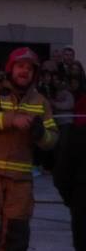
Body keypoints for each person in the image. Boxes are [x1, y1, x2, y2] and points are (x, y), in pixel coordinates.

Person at [0, 47, 59, 251]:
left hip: (20, 180)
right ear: (10, 68)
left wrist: (41, 134)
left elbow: (53, 139)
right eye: (20, 66)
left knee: (17, 236)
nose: (24, 71)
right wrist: (11, 119)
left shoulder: (41, 102)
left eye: (29, 68)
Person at [54, 94, 86, 251]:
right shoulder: (78, 136)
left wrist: (72, 200)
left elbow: (61, 175)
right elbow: (61, 174)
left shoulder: (77, 136)